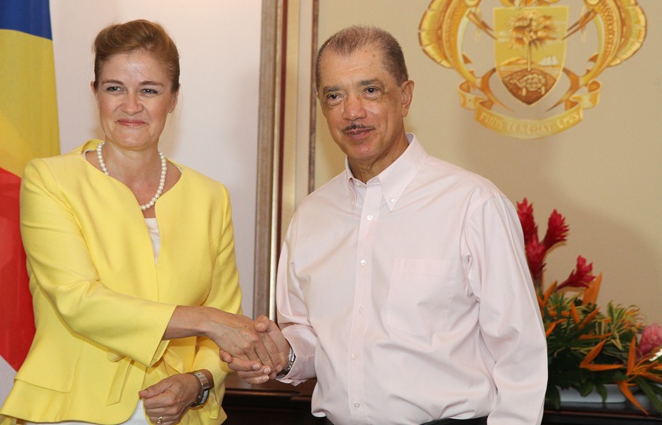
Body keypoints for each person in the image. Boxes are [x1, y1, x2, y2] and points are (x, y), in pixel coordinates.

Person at [223, 25, 548, 425]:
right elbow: (312, 337)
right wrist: (284, 353)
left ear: (405, 96)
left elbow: (520, 355)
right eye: (334, 95)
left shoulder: (473, 205)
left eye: (370, 90)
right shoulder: (310, 216)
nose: (352, 111)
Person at [0, 19, 280, 425]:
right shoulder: (50, 179)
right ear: (95, 92)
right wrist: (206, 320)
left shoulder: (210, 196)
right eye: (115, 88)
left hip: (178, 416)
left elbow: (223, 321)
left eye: (149, 90)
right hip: (71, 412)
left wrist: (197, 382)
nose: (131, 106)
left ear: (174, 98)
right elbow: (79, 301)